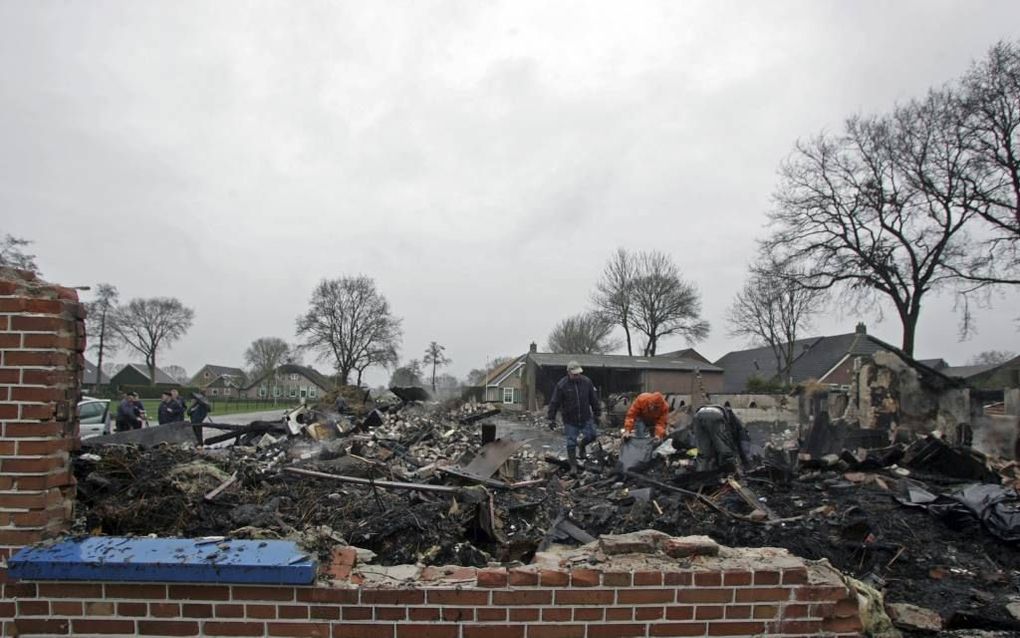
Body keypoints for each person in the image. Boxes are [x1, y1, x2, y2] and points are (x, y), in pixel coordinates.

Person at [547, 360, 601, 476]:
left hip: (586, 416)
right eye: (574, 374)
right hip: (570, 419)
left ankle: (582, 445)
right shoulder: (562, 385)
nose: (577, 376)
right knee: (571, 442)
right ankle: (573, 466)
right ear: (568, 373)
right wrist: (551, 418)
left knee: (592, 435)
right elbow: (554, 402)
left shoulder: (587, 382)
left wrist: (597, 413)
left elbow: (593, 399)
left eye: (578, 373)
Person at [692, 404, 750, 472]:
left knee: (703, 455)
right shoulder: (740, 430)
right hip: (716, 414)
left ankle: (700, 476)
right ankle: (734, 475)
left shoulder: (735, 422)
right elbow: (742, 448)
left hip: (699, 414)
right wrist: (745, 463)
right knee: (727, 454)